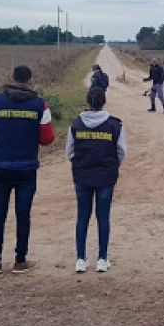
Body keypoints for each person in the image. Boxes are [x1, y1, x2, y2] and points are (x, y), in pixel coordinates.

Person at [0, 65, 55, 274]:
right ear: (30, 80)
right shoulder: (40, 105)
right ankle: (20, 261)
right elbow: (47, 139)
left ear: (11, 78)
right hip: (27, 168)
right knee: (23, 215)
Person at [66, 86, 128, 274]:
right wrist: (112, 166)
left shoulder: (76, 124)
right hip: (106, 177)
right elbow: (122, 152)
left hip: (82, 176)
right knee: (103, 217)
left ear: (87, 101)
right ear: (104, 101)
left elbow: (69, 152)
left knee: (82, 217)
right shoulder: (114, 125)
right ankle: (102, 259)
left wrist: (82, 163)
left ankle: (80, 259)